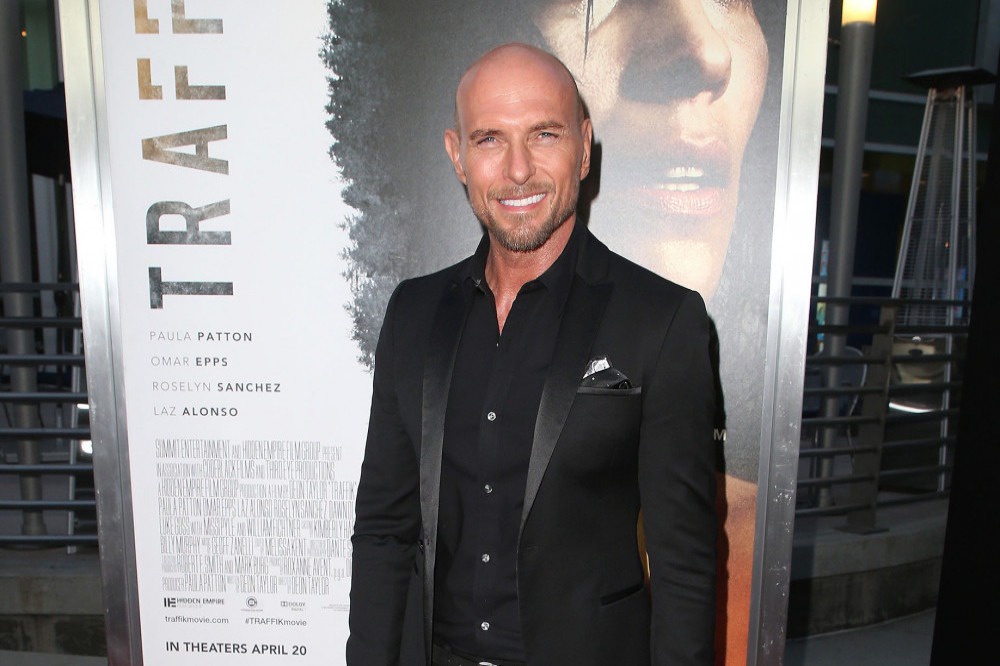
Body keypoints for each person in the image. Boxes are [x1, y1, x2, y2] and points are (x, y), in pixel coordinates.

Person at [347, 43, 719, 665]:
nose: (518, 170)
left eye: (544, 134)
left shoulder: (660, 319)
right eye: (490, 139)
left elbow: (684, 562)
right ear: (458, 156)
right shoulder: (413, 313)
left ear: (584, 147)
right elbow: (384, 527)